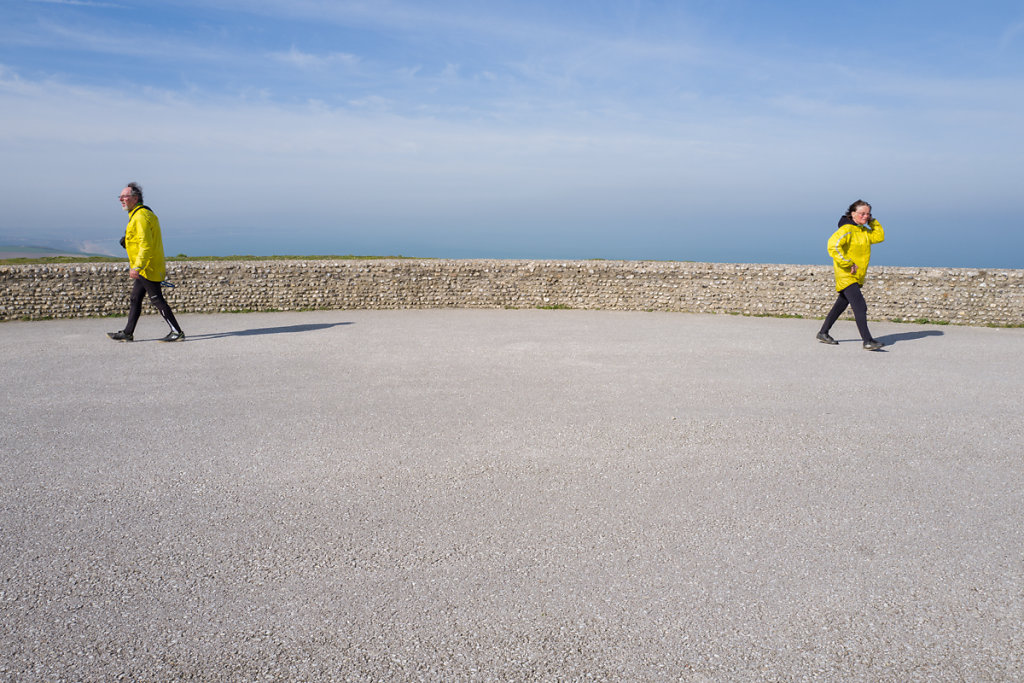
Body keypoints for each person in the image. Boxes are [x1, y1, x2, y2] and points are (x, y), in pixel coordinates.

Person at [107, 183, 185, 342]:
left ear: (135, 198)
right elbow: (141, 240)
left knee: (157, 299)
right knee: (135, 298)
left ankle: (177, 332)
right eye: (120, 197)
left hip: (147, 267)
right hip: (146, 266)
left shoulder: (140, 217)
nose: (121, 199)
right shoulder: (139, 214)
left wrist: (137, 266)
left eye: (125, 196)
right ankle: (128, 333)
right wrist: (127, 242)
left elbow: (146, 245)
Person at [817, 199, 885, 351]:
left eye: (868, 214)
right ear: (853, 214)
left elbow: (879, 236)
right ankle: (867, 340)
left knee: (840, 305)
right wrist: (847, 263)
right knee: (860, 306)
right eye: (862, 213)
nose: (865, 216)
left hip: (857, 276)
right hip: (846, 274)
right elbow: (833, 246)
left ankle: (823, 332)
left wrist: (872, 221)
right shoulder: (846, 229)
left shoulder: (863, 231)